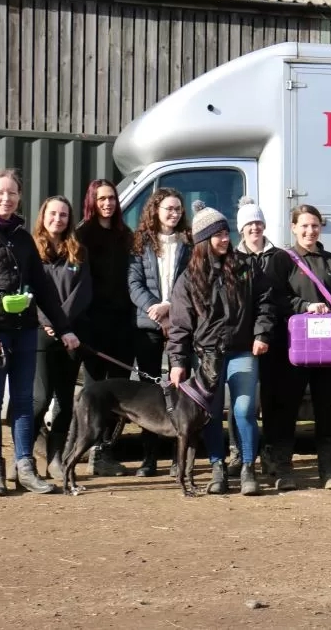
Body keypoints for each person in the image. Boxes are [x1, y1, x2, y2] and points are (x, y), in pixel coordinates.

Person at [0, 168, 80, 496]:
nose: (6, 198)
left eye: (12, 193)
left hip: (24, 330)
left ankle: (26, 467)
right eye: (0, 192)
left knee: (24, 401)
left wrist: (63, 327)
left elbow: (43, 287)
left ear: (19, 197)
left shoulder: (23, 239)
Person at [166, 201, 276, 495]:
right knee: (211, 415)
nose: (226, 238)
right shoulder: (188, 278)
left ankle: (248, 469)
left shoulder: (245, 267)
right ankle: (217, 467)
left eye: (226, 232)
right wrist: (177, 361)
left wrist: (261, 334)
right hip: (206, 359)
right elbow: (179, 324)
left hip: (242, 352)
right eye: (218, 234)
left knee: (243, 411)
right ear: (204, 240)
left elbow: (265, 301)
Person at [274, 204, 331, 490]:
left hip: (328, 353)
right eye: (304, 226)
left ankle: (328, 470)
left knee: (325, 409)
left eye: (315, 225)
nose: (310, 231)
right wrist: (305, 306)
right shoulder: (283, 260)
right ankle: (284, 469)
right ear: (293, 227)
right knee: (288, 409)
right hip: (293, 352)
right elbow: (276, 299)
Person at [233, 196, 298, 490]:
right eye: (249, 224)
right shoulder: (233, 259)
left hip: (275, 340)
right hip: (241, 341)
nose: (254, 228)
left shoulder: (281, 257)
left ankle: (271, 455)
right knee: (240, 403)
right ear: (241, 229)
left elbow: (287, 295)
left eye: (258, 222)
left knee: (273, 400)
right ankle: (240, 455)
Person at [127, 188, 192, 477]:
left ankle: (179, 460)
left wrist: (169, 307)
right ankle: (148, 457)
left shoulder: (189, 243)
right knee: (150, 393)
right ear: (156, 210)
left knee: (181, 392)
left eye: (178, 208)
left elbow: (190, 281)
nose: (174, 213)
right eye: (169, 208)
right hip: (148, 326)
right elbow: (134, 283)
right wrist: (155, 308)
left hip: (180, 325)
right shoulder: (140, 242)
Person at [31, 196, 93, 482]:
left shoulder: (78, 251)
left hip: (70, 335)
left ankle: (55, 458)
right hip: (41, 334)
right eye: (53, 214)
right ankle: (25, 457)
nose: (58, 219)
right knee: (40, 400)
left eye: (64, 215)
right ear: (44, 216)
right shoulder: (31, 250)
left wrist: (63, 324)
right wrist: (49, 322)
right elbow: (28, 292)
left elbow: (83, 292)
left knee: (66, 401)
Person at [76, 178, 135, 476]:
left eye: (111, 198)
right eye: (101, 199)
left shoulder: (126, 235)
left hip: (124, 325)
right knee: (95, 392)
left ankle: (105, 453)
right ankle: (84, 449)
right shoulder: (82, 235)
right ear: (92, 201)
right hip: (94, 326)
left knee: (121, 393)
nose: (107, 203)